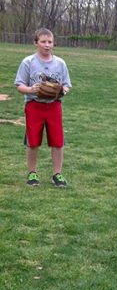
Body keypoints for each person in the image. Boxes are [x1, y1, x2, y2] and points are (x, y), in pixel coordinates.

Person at [15, 28, 72, 187]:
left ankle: (57, 174)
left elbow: (67, 85)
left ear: (53, 43)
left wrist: (62, 91)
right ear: (36, 43)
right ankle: (32, 173)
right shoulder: (28, 62)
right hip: (34, 105)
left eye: (50, 42)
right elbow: (19, 84)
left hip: (54, 106)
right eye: (43, 41)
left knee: (57, 141)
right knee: (33, 141)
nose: (47, 45)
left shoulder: (60, 63)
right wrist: (30, 90)